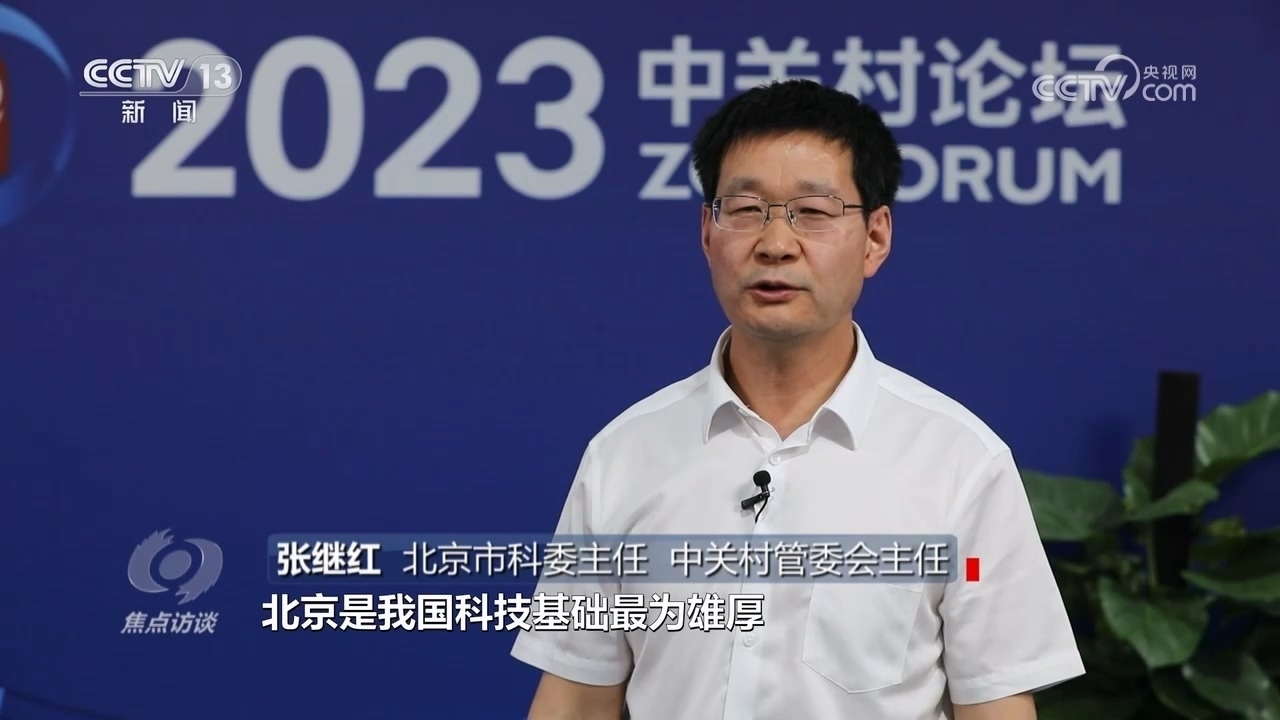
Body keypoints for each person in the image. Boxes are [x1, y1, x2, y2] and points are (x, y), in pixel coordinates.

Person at [510, 79, 1084, 720]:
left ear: (875, 238)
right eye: (745, 209)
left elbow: (996, 707)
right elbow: (574, 700)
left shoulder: (959, 463)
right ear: (707, 233)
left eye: (813, 211)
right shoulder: (623, 455)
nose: (776, 244)